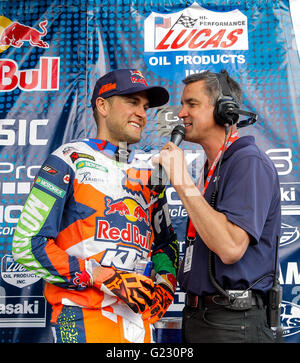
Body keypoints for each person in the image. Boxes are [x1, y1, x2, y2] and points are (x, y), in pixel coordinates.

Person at [12, 69, 178, 343]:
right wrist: (100, 275)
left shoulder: (150, 173)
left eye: (145, 107)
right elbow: (28, 245)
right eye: (132, 102)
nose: (142, 113)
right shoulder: (70, 158)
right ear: (102, 105)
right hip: (80, 319)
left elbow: (166, 244)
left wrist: (166, 285)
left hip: (140, 323)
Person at [153, 70, 282, 343]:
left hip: (234, 324)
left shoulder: (248, 161)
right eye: (182, 104)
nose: (181, 113)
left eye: (192, 104)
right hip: (205, 318)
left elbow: (230, 248)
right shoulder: (214, 167)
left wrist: (180, 178)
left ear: (226, 111)